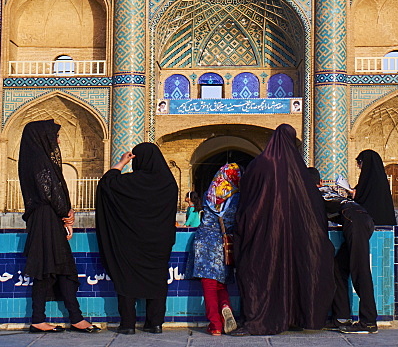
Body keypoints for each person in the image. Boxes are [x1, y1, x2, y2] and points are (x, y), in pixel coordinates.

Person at [232, 124, 335, 335]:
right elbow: (315, 206)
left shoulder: (261, 163)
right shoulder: (300, 171)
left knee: (261, 271)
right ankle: (298, 317)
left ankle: (260, 319)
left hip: (265, 233)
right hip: (298, 236)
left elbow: (247, 199)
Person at [18, 119, 98, 333]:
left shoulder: (32, 159)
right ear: (43, 137)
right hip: (46, 219)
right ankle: (48, 319)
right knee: (49, 269)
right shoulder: (39, 161)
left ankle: (69, 317)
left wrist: (63, 215)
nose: (59, 141)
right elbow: (50, 191)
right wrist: (66, 213)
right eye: (55, 136)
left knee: (57, 268)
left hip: (45, 219)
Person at [95, 143, 178, 334]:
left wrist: (121, 163)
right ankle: (155, 323)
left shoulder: (129, 183)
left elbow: (106, 183)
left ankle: (128, 324)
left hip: (129, 242)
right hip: (159, 242)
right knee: (157, 279)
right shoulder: (168, 183)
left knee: (127, 279)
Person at [307, 167, 378, 335]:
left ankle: (368, 322)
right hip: (363, 219)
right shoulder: (328, 190)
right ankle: (341, 318)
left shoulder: (311, 195)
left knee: (360, 271)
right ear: (321, 182)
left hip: (353, 221)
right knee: (338, 268)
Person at [186, 164, 241, 335]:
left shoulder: (211, 193)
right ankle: (225, 306)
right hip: (225, 243)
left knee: (209, 285)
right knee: (220, 283)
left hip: (205, 241)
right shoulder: (238, 197)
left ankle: (215, 324)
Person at [352, 149, 398, 292]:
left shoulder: (371, 181)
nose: (359, 167)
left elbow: (365, 201)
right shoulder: (376, 179)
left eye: (360, 163)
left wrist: (354, 196)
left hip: (377, 226)